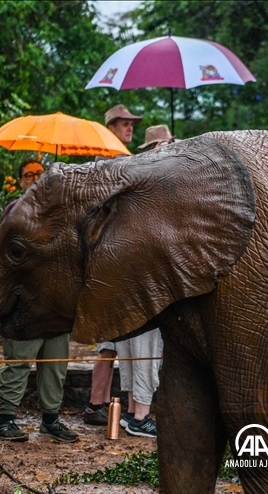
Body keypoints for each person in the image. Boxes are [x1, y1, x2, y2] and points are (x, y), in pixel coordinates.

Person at [0, 160, 78, 443]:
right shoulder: (14, 211)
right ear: (20, 181)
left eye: (40, 174)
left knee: (56, 363)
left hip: (55, 303)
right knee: (18, 362)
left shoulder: (63, 213)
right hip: (23, 302)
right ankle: (5, 421)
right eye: (29, 175)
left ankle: (50, 421)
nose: (35, 179)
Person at [83, 104, 143, 426]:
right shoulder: (103, 165)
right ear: (111, 126)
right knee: (108, 344)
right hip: (106, 265)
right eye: (124, 123)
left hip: (122, 264)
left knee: (120, 343)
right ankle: (95, 404)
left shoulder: (127, 160)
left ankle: (105, 404)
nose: (130, 128)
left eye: (132, 123)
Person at [113, 124, 173, 439]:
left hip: (132, 282)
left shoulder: (137, 184)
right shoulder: (150, 190)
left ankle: (133, 410)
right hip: (142, 283)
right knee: (144, 350)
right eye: (166, 145)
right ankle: (140, 415)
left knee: (137, 349)